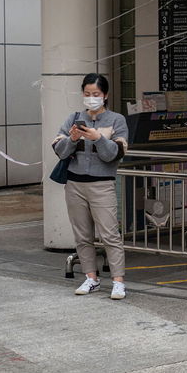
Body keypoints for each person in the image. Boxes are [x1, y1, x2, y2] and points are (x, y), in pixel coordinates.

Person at [52, 73, 130, 300]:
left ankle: (118, 282)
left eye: (96, 94)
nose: (91, 98)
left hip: (102, 185)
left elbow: (113, 155)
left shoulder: (117, 121)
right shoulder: (73, 118)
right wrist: (73, 138)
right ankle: (90, 278)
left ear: (105, 95)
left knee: (110, 235)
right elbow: (59, 150)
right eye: (87, 94)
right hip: (74, 183)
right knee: (82, 235)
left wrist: (98, 138)